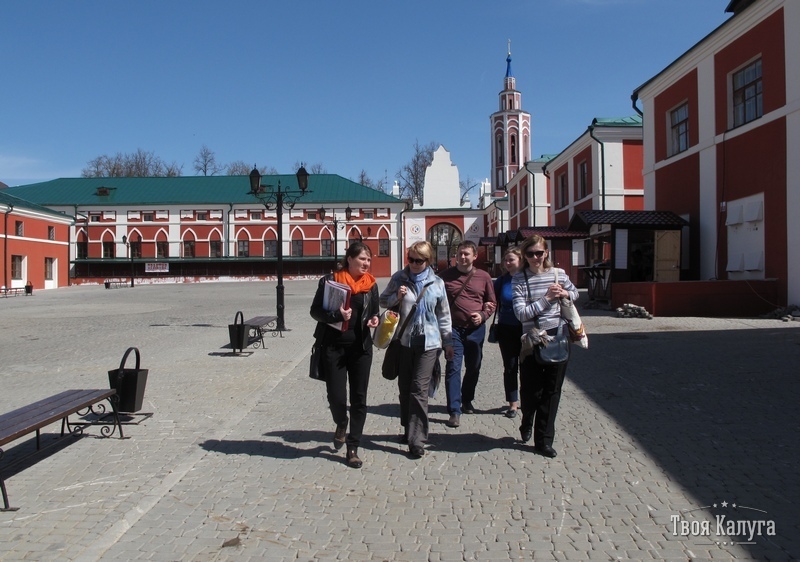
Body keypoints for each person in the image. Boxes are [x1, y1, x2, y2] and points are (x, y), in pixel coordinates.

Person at [379, 241, 453, 458]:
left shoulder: (437, 283)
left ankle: (417, 439)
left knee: (419, 389)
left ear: (427, 261)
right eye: (410, 259)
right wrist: (397, 297)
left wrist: (448, 342)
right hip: (404, 340)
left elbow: (444, 315)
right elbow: (384, 301)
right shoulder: (399, 278)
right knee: (404, 389)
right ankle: (407, 429)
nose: (413, 263)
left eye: (418, 260)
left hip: (429, 343)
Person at [310, 242, 380, 468]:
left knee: (359, 398)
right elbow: (315, 311)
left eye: (368, 260)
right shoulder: (330, 281)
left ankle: (353, 446)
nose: (366, 263)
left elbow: (374, 311)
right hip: (333, 347)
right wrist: (335, 314)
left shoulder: (371, 285)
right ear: (349, 259)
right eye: (362, 259)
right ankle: (341, 422)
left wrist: (374, 319)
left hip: (361, 348)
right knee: (336, 397)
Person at [512, 235, 579, 458]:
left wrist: (566, 293)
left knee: (552, 392)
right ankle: (527, 418)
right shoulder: (519, 279)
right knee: (532, 391)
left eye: (539, 253)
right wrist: (548, 299)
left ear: (546, 253)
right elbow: (521, 314)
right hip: (532, 340)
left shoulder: (558, 274)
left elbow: (575, 293)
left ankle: (544, 440)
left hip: (558, 337)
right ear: (524, 255)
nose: (535, 258)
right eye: (530, 254)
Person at [439, 240, 496, 428]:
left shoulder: (484, 277)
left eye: (466, 254)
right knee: (453, 368)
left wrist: (483, 314)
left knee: (474, 366)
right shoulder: (445, 277)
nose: (462, 257)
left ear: (474, 256)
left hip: (476, 330)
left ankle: (467, 399)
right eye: (460, 254)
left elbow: (491, 302)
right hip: (453, 329)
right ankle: (454, 410)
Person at [492, 246, 524, 418]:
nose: (507, 263)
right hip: (506, 328)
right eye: (506, 260)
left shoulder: (528, 278)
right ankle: (513, 403)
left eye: (511, 259)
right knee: (510, 367)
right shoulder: (502, 280)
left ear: (520, 260)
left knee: (527, 366)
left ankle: (527, 400)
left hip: (526, 328)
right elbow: (491, 299)